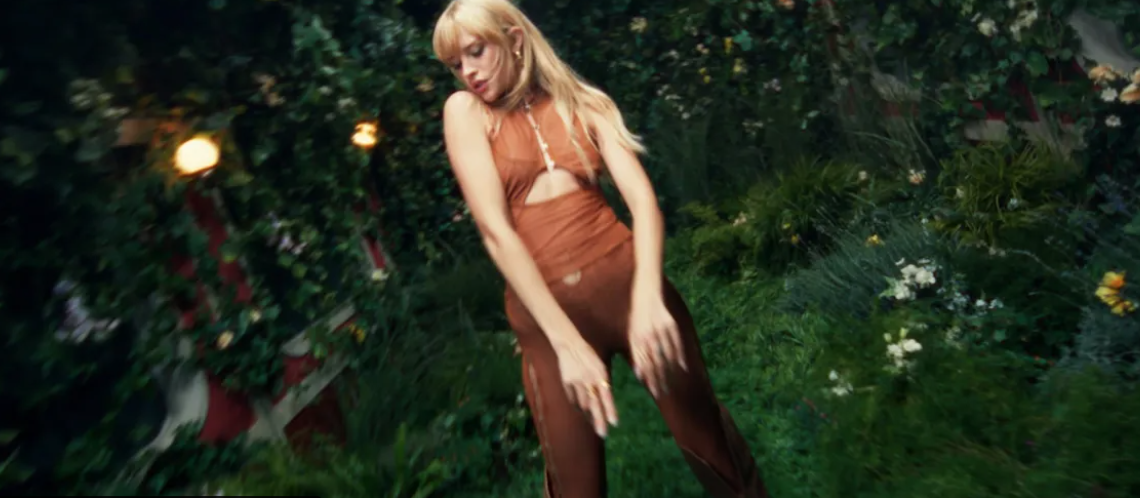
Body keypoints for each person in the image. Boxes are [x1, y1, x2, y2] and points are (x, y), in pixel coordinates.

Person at [431, 1, 769, 496]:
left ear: (514, 39)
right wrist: (568, 344)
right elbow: (496, 232)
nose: (468, 71)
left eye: (476, 51)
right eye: (456, 63)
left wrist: (649, 300)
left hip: (629, 286)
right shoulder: (466, 113)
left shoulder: (585, 103)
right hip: (548, 325)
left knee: (709, 444)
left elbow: (644, 204)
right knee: (575, 484)